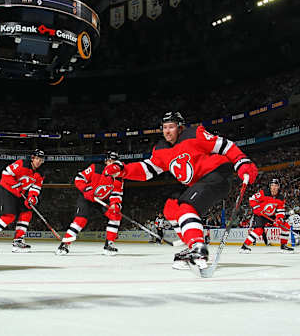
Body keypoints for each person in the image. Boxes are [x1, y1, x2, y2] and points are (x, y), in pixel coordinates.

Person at [104, 112, 258, 270]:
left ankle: (197, 248)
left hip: (216, 174)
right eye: (164, 127)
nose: (167, 131)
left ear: (180, 127)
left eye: (171, 127)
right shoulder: (161, 149)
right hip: (198, 182)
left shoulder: (194, 134)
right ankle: (191, 242)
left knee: (186, 207)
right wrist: (123, 169)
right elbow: (147, 169)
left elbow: (225, 145)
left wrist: (241, 161)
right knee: (171, 208)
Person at [56, 151, 124, 256]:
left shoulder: (119, 177)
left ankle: (109, 244)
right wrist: (86, 189)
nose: (112, 164)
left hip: (102, 200)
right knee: (80, 219)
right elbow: (79, 178)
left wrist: (116, 204)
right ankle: (64, 244)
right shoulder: (95, 168)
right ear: (106, 162)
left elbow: (117, 194)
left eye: (115, 162)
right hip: (87, 197)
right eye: (110, 161)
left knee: (115, 215)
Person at [0, 149, 45, 253]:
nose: (38, 161)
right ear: (32, 158)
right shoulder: (21, 164)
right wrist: (16, 186)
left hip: (21, 193)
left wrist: (32, 197)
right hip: (8, 190)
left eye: (41, 160)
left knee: (27, 213)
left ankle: (18, 241)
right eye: (37, 158)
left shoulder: (40, 173)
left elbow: (36, 187)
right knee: (9, 216)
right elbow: (5, 173)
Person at [240, 178, 293, 253]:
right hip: (261, 214)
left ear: (278, 187)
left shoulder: (281, 197)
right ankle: (244, 246)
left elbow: (280, 210)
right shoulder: (264, 193)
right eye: (272, 185)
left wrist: (279, 219)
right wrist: (256, 208)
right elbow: (252, 199)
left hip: (272, 215)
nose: (274, 187)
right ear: (270, 186)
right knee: (259, 230)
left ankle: (283, 246)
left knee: (286, 225)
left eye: (276, 185)